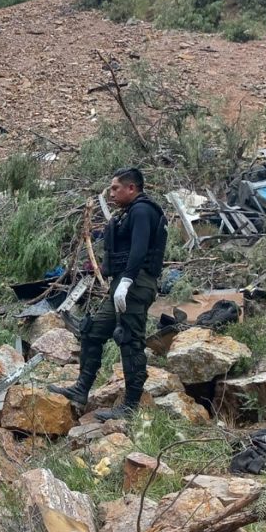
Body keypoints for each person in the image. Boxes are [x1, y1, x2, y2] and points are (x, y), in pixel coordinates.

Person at [49, 168, 167, 422]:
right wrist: (103, 271)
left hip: (136, 283)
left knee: (129, 340)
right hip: (122, 283)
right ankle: (81, 389)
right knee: (92, 330)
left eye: (115, 188)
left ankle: (130, 406)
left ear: (131, 188)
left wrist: (126, 281)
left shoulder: (143, 211)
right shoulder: (126, 214)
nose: (111, 193)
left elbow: (139, 249)